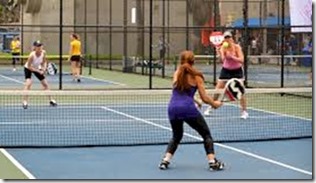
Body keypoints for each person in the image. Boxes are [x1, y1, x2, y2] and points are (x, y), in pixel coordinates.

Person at [158, 50, 224, 171]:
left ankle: (165, 161)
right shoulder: (197, 76)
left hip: (172, 108)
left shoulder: (177, 73)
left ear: (181, 61)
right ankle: (212, 162)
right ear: (193, 61)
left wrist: (196, 101)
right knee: (206, 135)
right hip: (188, 109)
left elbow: (183, 92)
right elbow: (205, 97)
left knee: (176, 136)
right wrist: (215, 104)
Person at [204, 31, 248, 119]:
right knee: (217, 90)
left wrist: (232, 57)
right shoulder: (223, 47)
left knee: (241, 92)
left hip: (237, 71)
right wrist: (220, 52)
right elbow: (223, 60)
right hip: (226, 71)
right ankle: (211, 106)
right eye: (226, 38)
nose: (228, 39)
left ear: (232, 38)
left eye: (229, 37)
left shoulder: (237, 47)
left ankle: (244, 111)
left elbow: (242, 60)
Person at [22, 40, 57, 109]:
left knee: (45, 84)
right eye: (38, 46)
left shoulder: (43, 53)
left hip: (37, 67)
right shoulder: (32, 55)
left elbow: (44, 62)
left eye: (40, 46)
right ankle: (25, 101)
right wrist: (38, 71)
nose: (40, 48)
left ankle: (51, 100)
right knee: (28, 83)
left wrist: (43, 69)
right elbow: (29, 66)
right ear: (34, 47)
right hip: (28, 68)